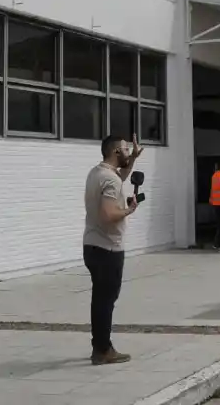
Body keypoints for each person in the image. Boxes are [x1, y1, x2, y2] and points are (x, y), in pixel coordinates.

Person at [83, 134, 142, 365]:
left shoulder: (97, 173)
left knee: (100, 299)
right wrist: (129, 210)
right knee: (106, 301)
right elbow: (108, 215)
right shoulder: (110, 179)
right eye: (126, 149)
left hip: (92, 245)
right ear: (117, 152)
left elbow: (120, 177)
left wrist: (133, 158)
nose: (129, 152)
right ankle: (103, 349)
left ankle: (99, 346)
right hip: (108, 248)